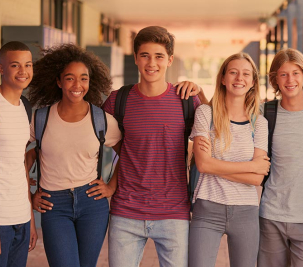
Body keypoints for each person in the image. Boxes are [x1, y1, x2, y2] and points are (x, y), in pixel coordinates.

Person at [103, 26, 207, 267]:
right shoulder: (117, 100)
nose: (152, 63)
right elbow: (92, 138)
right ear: (136, 58)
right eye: (145, 55)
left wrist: (201, 91)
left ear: (169, 60)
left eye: (159, 56)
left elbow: (216, 130)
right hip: (126, 212)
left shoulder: (187, 100)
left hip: (174, 213)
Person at [26, 44, 121, 267]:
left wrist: (111, 187)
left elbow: (128, 154)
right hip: (53, 204)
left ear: (90, 81)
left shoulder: (101, 120)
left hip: (92, 204)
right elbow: (19, 155)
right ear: (58, 81)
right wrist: (28, 195)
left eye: (83, 78)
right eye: (70, 78)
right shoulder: (41, 119)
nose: (77, 85)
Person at [189, 52, 270, 267]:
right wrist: (252, 166)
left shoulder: (259, 124)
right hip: (207, 207)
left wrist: (213, 165)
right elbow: (203, 164)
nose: (239, 78)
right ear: (223, 79)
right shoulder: (206, 114)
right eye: (233, 72)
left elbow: (256, 180)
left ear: (253, 82)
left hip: (246, 212)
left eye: (245, 74)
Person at [258, 49, 303, 267]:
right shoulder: (265, 112)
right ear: (275, 79)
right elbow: (227, 112)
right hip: (272, 215)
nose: (290, 80)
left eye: (296, 73)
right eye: (283, 74)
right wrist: (197, 93)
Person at [0, 41, 37, 266]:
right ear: (1, 68)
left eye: (28, 64)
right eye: (15, 65)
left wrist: (30, 218)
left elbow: (20, 164)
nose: (23, 71)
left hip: (21, 217)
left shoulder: (25, 107)